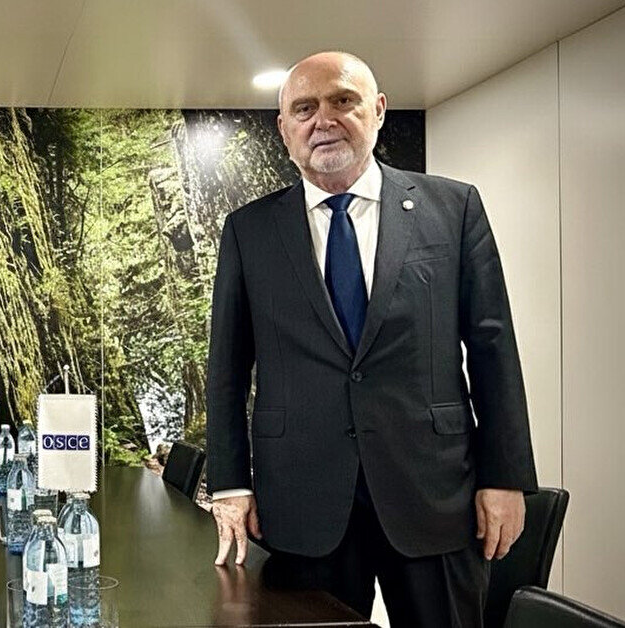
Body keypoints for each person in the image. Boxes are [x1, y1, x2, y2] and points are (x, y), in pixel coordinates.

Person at [205, 51, 537, 626]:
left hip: (435, 494)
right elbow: (227, 369)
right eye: (304, 109)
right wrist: (230, 483)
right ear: (284, 129)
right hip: (303, 499)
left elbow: (493, 348)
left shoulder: (453, 208)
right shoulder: (249, 230)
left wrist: (504, 477)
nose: (323, 120)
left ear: (378, 110)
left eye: (343, 101)